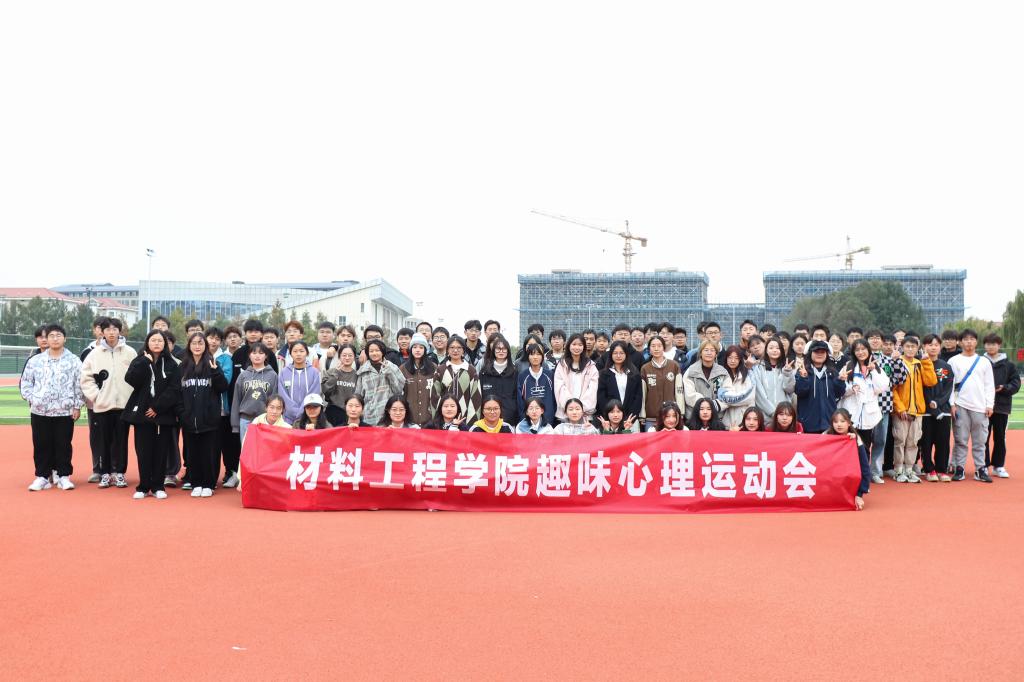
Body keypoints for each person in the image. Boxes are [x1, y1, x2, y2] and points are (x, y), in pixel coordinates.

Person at [21, 324, 85, 491]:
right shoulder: (35, 361)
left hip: (64, 411)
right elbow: (26, 382)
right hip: (40, 410)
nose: (55, 339)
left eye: (58, 335)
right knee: (41, 444)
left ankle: (64, 476)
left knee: (63, 444)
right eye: (51, 336)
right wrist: (33, 399)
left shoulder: (74, 361)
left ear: (65, 338)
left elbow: (79, 384)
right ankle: (42, 477)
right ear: (46, 339)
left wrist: (77, 406)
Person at [123, 330, 181, 499]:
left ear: (165, 344)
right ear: (147, 342)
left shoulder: (172, 364)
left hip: (163, 415)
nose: (156, 343)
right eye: (153, 340)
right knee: (143, 452)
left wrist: (157, 407)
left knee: (161, 452)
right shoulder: (139, 360)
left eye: (160, 341)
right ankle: (143, 487)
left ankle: (158, 486)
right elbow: (131, 380)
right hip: (142, 415)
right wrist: (144, 362)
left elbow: (174, 389)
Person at [80, 317, 134, 489]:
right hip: (102, 406)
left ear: (120, 331)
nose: (111, 332)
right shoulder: (94, 354)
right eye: (108, 329)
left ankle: (120, 473)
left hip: (124, 406)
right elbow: (86, 379)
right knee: (103, 441)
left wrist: (131, 398)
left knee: (121, 442)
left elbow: (138, 376)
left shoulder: (130, 352)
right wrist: (97, 397)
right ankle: (105, 473)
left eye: (114, 329)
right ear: (102, 332)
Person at [177, 332, 228, 498]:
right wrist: (182, 414)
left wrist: (215, 371)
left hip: (209, 420)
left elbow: (222, 387)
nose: (197, 346)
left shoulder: (212, 363)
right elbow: (177, 392)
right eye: (194, 343)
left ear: (205, 346)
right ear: (189, 345)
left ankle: (209, 484)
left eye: (200, 343)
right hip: (189, 420)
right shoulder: (183, 366)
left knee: (209, 454)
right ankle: (196, 483)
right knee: (193, 454)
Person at [837, 339, 890, 483]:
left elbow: (882, 387)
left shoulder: (876, 367)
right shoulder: (848, 366)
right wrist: (851, 389)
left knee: (865, 447)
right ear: (853, 352)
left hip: (868, 416)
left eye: (863, 349)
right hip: (851, 414)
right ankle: (848, 476)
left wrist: (873, 371)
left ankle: (864, 478)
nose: (861, 352)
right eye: (857, 350)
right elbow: (840, 390)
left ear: (868, 350)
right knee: (848, 446)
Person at [949, 329, 996, 482]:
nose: (969, 342)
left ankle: (980, 469)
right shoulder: (953, 361)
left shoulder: (984, 362)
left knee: (980, 441)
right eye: (965, 339)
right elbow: (950, 385)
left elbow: (989, 385)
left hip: (980, 407)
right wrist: (952, 404)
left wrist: (990, 405)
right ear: (960, 342)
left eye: (972, 339)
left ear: (976, 342)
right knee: (960, 440)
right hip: (960, 405)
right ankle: (959, 468)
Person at [891, 335, 937, 483]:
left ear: (918, 348)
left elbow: (931, 381)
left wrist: (927, 362)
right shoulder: (897, 362)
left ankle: (909, 469)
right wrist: (900, 408)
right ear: (902, 348)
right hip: (902, 411)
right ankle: (898, 470)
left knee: (913, 441)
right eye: (907, 346)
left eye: (913, 347)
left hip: (917, 411)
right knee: (900, 441)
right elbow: (893, 389)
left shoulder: (919, 363)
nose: (910, 349)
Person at [230, 342, 278, 456]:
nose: (257, 356)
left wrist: (273, 420)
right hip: (245, 420)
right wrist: (235, 424)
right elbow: (236, 400)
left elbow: (275, 399)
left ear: (266, 356)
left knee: (264, 453)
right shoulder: (243, 375)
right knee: (247, 453)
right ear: (249, 355)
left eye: (261, 353)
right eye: (254, 353)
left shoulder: (273, 375)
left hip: (265, 420)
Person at [983, 333, 1019, 477]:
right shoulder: (980, 362)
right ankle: (983, 465)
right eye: (988, 344)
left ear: (999, 345)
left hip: (1002, 406)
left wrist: (1005, 388)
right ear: (984, 345)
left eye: (994, 344)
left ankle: (998, 466)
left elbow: (1016, 383)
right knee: (983, 438)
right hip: (983, 406)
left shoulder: (1009, 365)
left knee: (1000, 437)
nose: (991, 346)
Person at [920, 334, 954, 482]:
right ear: (924, 347)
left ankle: (941, 470)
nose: (933, 348)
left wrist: (938, 403)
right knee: (926, 442)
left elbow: (948, 388)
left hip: (943, 411)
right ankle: (929, 470)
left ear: (940, 347)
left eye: (936, 345)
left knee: (943, 442)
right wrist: (930, 404)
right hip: (926, 412)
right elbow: (921, 388)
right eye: (930, 345)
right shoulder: (919, 364)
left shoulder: (946, 366)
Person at [794, 340, 846, 434]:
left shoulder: (832, 372)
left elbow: (839, 393)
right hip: (808, 423)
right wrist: (804, 378)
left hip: (829, 422)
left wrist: (840, 381)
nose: (820, 354)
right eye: (816, 351)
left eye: (823, 352)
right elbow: (800, 392)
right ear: (810, 353)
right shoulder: (803, 370)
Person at [430, 336, 482, 425]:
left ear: (463, 350)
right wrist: (438, 419)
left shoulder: (471, 370)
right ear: (447, 350)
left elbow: (476, 396)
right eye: (452, 347)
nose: (455, 350)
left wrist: (471, 422)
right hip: (444, 419)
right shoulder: (440, 370)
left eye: (459, 348)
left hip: (464, 419)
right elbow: (435, 395)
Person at [826, 408, 870, 511]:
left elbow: (865, 469)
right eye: (835, 421)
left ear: (849, 423)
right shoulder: (826, 435)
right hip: (831, 479)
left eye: (842, 421)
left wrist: (859, 494)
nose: (839, 424)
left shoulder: (855, 439)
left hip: (848, 479)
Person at [354, 338, 406, 426]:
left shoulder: (392, 367)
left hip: (389, 415)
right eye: (371, 351)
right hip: (369, 415)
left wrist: (389, 373)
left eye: (377, 350)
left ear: (382, 351)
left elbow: (399, 390)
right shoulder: (363, 371)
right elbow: (358, 395)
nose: (374, 353)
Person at [79, 318, 105, 483]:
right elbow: (82, 378)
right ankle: (97, 469)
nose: (102, 331)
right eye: (99, 328)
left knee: (115, 437)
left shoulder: (123, 351)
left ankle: (115, 469)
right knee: (96, 436)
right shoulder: (86, 352)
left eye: (106, 328)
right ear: (94, 330)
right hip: (93, 403)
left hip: (116, 403)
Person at [639, 336, 684, 431]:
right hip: (651, 418)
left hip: (671, 417)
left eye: (659, 346)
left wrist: (681, 412)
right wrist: (642, 415)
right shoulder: (645, 368)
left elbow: (679, 391)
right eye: (653, 346)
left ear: (664, 348)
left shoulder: (674, 366)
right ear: (649, 349)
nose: (656, 349)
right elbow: (642, 393)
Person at [553, 333, 600, 422]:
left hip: (585, 414)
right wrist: (570, 407)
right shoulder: (562, 365)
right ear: (569, 346)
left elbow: (592, 389)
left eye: (580, 345)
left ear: (584, 347)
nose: (577, 347)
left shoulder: (590, 366)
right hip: (565, 413)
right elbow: (560, 387)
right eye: (574, 344)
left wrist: (580, 408)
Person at [597, 341, 642, 428]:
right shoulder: (603, 374)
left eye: (621, 353)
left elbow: (638, 398)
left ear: (626, 354)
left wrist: (630, 418)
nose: (618, 356)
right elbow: (601, 397)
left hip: (629, 421)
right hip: (609, 420)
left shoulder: (634, 374)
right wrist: (610, 415)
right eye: (615, 353)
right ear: (610, 354)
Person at [751, 338, 796, 421]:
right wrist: (773, 413)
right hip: (765, 417)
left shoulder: (787, 368)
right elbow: (759, 394)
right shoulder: (758, 368)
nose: (774, 350)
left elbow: (790, 390)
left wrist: (787, 373)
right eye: (771, 348)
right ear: (766, 350)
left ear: (781, 351)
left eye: (778, 348)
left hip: (784, 416)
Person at [278, 341, 322, 425]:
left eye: (301, 351)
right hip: (288, 418)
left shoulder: (314, 372)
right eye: (295, 351)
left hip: (308, 417)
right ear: (290, 354)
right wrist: (293, 411)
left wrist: (303, 411)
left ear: (307, 353)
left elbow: (314, 393)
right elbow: (283, 395)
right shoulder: (284, 372)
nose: (298, 354)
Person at [478, 333, 518, 424]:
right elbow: (480, 396)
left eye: (504, 349)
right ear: (493, 351)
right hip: (488, 419)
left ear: (508, 351)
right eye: (498, 349)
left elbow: (516, 396)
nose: (501, 351)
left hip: (509, 418)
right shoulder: (484, 372)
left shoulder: (514, 372)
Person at [682, 340, 728, 420]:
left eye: (712, 350)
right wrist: (706, 406)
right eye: (706, 350)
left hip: (717, 418)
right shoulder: (691, 371)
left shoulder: (723, 372)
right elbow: (689, 395)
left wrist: (715, 405)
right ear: (700, 353)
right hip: (694, 417)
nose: (709, 353)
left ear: (716, 354)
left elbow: (728, 394)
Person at [400, 333, 437, 427]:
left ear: (425, 350)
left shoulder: (433, 367)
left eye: (421, 347)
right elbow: (400, 392)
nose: (418, 350)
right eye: (415, 347)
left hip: (429, 418)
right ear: (411, 349)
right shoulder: (403, 368)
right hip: (410, 418)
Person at [517, 344, 556, 427]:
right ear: (528, 357)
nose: (535, 357)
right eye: (532, 354)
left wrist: (551, 416)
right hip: (528, 421)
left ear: (542, 357)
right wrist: (524, 417)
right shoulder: (522, 376)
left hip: (548, 421)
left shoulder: (550, 375)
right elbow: (520, 401)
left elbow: (554, 398)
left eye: (538, 354)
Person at [717, 345, 755, 429]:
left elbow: (750, 398)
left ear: (740, 360)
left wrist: (729, 400)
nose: (733, 361)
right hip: (726, 420)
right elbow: (720, 397)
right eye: (730, 358)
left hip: (743, 419)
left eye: (736, 358)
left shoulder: (747, 375)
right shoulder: (721, 375)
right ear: (726, 358)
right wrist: (740, 398)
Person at [322, 344, 358, 426]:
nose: (347, 358)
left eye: (350, 355)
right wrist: (335, 375)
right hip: (333, 413)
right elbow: (326, 391)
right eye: (344, 355)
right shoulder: (330, 372)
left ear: (354, 357)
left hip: (351, 414)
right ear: (339, 357)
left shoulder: (357, 375)